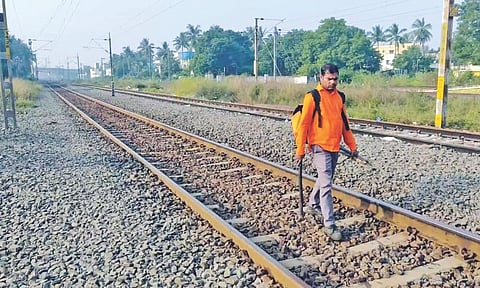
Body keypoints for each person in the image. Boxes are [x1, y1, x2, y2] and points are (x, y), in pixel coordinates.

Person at [295, 63, 358, 241]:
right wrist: (300, 149)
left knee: (325, 180)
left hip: (335, 146)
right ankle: (329, 224)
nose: (332, 82)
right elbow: (304, 125)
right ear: (321, 77)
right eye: (329, 79)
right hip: (319, 146)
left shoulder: (340, 98)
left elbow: (345, 124)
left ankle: (313, 204)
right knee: (327, 185)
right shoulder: (312, 97)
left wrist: (352, 146)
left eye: (335, 79)